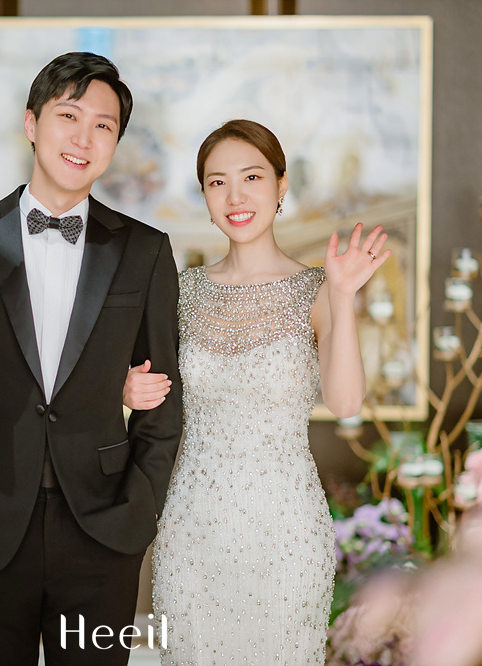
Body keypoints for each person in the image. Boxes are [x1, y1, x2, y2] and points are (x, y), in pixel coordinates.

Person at [0, 52, 183, 665]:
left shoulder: (145, 250)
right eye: (68, 116)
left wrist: (139, 508)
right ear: (31, 123)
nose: (83, 137)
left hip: (101, 530)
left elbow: (163, 397)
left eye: (103, 125)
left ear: (116, 143)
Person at [123, 119, 390, 664]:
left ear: (281, 185)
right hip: (191, 529)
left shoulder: (318, 289)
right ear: (204, 195)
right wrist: (125, 389)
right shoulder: (181, 292)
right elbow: (141, 386)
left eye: (251, 177)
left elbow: (345, 403)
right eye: (217, 183)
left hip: (286, 531)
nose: (235, 197)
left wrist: (342, 296)